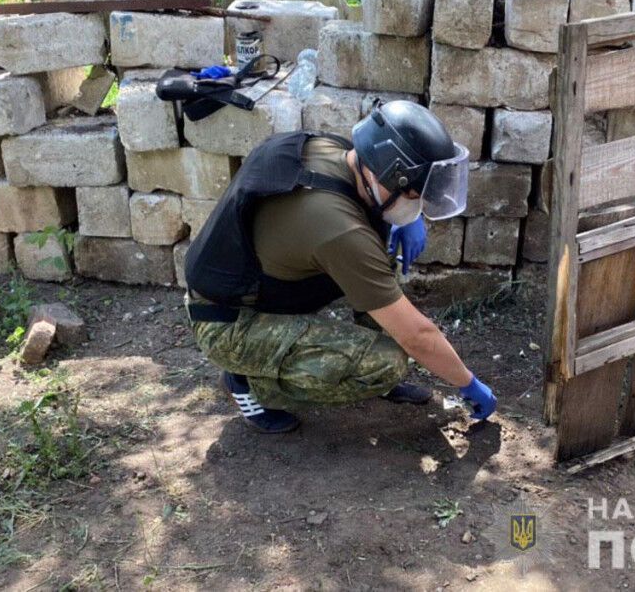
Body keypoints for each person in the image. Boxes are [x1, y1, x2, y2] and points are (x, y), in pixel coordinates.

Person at [183, 100, 497, 433]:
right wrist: (467, 382)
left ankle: (349, 359)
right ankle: (248, 384)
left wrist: (401, 215)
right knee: (386, 364)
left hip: (257, 284)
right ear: (389, 177)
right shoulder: (340, 231)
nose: (418, 207)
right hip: (228, 324)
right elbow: (418, 336)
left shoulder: (337, 151)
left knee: (377, 244)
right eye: (414, 196)